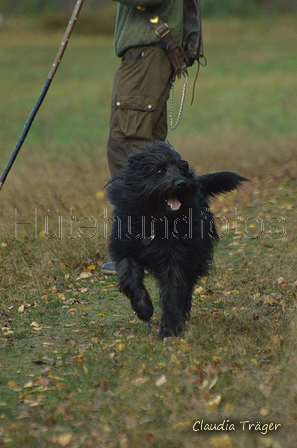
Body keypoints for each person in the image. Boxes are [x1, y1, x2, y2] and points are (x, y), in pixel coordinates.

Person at [102, 0, 204, 275]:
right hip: (152, 52)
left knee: (128, 145)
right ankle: (151, 243)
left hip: (147, 53)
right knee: (147, 149)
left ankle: (135, 250)